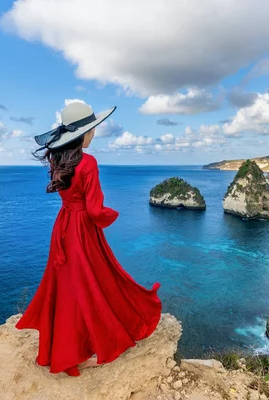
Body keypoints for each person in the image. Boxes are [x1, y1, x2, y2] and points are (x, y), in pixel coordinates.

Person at [15, 101, 162, 376]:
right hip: (83, 230)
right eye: (92, 130)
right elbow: (94, 210)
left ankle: (63, 347)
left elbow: (70, 198)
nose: (94, 135)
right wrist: (112, 214)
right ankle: (78, 352)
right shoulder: (89, 163)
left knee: (69, 287)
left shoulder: (59, 158)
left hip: (63, 227)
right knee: (95, 283)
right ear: (81, 134)